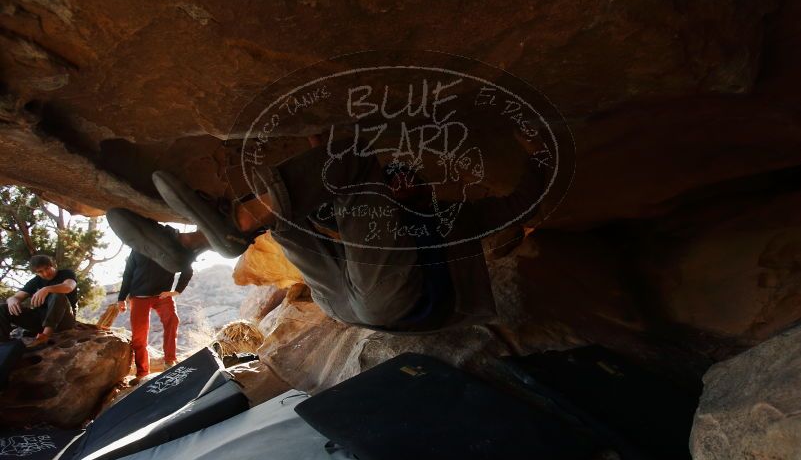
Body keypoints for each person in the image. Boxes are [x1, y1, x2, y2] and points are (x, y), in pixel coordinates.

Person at [107, 133, 547, 334]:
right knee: (290, 212)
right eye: (394, 178)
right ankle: (189, 245)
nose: (400, 183)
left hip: (400, 305)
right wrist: (320, 157)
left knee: (354, 161)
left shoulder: (453, 217)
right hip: (340, 304)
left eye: (409, 179)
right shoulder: (378, 223)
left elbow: (519, 204)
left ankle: (229, 227)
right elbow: (328, 202)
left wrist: (543, 156)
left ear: (427, 189)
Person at [117, 248, 193, 383]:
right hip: (139, 296)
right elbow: (128, 273)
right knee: (139, 335)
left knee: (172, 320)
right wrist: (121, 298)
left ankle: (169, 361)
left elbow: (187, 269)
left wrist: (176, 291)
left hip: (162, 296)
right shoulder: (137, 248)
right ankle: (142, 373)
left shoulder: (168, 246)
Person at [0, 254, 77, 348]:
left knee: (57, 295)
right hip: (40, 321)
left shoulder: (66, 273)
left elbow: (68, 287)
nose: (45, 273)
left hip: (64, 320)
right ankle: (3, 343)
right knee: (2, 308)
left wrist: (47, 289)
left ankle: (45, 335)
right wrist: (12, 300)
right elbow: (17, 297)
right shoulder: (35, 282)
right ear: (36, 273)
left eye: (47, 268)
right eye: (40, 271)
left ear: (53, 265)